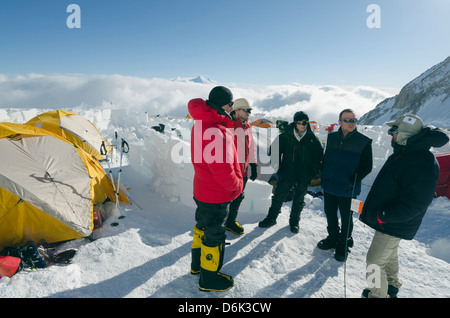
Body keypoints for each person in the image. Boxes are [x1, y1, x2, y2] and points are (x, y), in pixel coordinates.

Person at [360, 114, 449, 298]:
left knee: (374, 263)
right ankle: (391, 286)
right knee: (389, 254)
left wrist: (383, 215)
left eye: (394, 130)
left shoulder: (421, 161)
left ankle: (376, 294)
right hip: (389, 219)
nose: (390, 134)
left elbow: (416, 202)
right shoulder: (404, 153)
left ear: (405, 134)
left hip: (392, 220)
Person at [188, 86, 243, 292]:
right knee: (214, 235)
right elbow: (222, 171)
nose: (232, 108)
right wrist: (237, 186)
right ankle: (208, 279)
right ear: (224, 105)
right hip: (215, 195)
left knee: (202, 227)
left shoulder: (202, 123)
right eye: (231, 103)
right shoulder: (215, 131)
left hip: (202, 189)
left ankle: (197, 267)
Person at [317, 109, 373, 262]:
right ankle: (333, 237)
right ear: (340, 122)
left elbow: (367, 166)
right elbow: (327, 157)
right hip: (329, 184)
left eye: (353, 120)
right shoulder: (332, 137)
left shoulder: (364, 141)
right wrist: (323, 172)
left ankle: (343, 242)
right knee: (330, 213)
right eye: (347, 120)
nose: (351, 123)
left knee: (347, 217)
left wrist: (353, 179)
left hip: (348, 188)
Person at [258, 111, 323, 233]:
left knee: (298, 200)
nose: (304, 125)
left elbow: (318, 157)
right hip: (287, 173)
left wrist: (313, 172)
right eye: (301, 122)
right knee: (278, 197)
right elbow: (274, 152)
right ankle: (271, 218)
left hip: (304, 175)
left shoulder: (312, 139)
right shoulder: (285, 136)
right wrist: (278, 168)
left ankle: (294, 222)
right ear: (295, 123)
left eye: (306, 122)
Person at [226, 98, 258, 235]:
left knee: (239, 196)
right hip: (230, 170)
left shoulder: (247, 126)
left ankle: (231, 221)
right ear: (237, 110)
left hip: (243, 171)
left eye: (250, 110)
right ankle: (219, 222)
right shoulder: (230, 126)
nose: (249, 113)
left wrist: (253, 164)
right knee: (226, 197)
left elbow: (251, 147)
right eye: (247, 110)